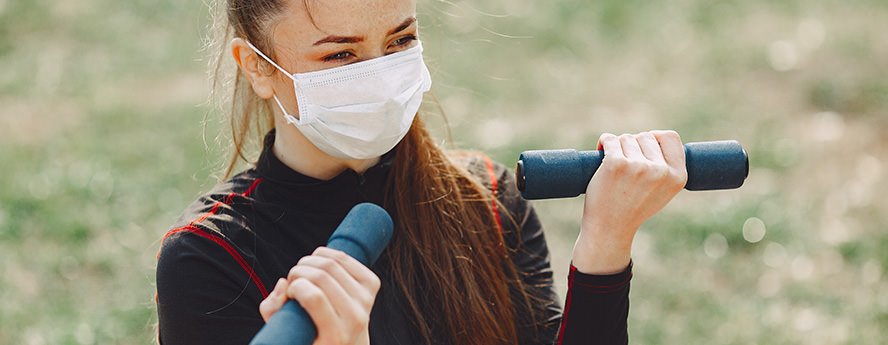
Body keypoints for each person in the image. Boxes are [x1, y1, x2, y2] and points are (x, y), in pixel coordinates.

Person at [154, 0, 687, 344]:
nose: (381, 76)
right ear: (256, 67)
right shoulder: (208, 259)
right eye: (340, 54)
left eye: (400, 41)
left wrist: (606, 245)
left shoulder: (490, 202)